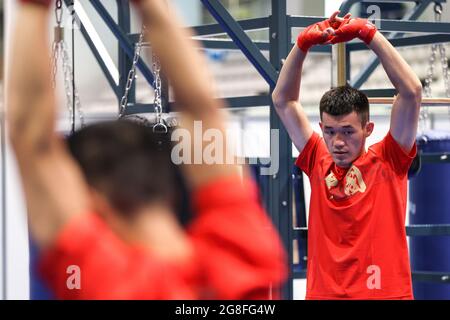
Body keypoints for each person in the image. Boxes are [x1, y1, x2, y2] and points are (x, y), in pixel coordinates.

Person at [7, 0, 286, 299]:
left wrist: (33, 6)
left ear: (92, 201)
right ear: (170, 189)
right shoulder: (241, 257)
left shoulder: (108, 286)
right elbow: (202, 109)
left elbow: (32, 139)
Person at [272, 11, 422, 299]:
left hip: (384, 295)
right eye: (329, 131)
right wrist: (302, 44)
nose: (337, 141)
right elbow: (283, 100)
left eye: (347, 132)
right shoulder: (317, 157)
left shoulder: (389, 158)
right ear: (321, 128)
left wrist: (369, 34)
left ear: (368, 129)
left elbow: (411, 91)